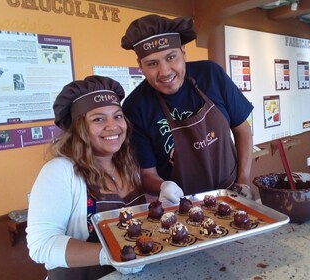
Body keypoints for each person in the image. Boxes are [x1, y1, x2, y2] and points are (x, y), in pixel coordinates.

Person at [121, 14, 254, 204]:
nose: (165, 71)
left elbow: (243, 130)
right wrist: (163, 186)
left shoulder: (211, 75)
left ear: (183, 52)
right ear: (140, 66)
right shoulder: (136, 107)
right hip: (181, 208)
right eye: (152, 63)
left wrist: (243, 184)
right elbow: (147, 173)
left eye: (171, 57)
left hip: (231, 195)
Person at [26, 76, 145, 280]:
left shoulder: (127, 164)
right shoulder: (60, 171)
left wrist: (162, 192)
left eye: (117, 116)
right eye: (98, 119)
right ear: (79, 128)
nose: (113, 126)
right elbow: (41, 245)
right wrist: (110, 255)